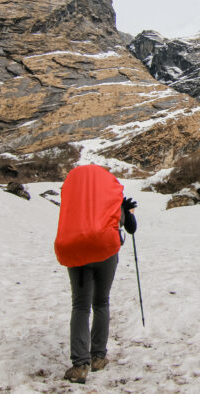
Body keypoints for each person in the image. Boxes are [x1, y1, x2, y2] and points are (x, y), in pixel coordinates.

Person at [53, 164, 137, 384]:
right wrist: (126, 211)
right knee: (101, 302)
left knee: (80, 306)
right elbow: (131, 229)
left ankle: (80, 365)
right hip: (106, 254)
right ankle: (98, 357)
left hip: (77, 251)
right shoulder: (112, 200)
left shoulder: (75, 200)